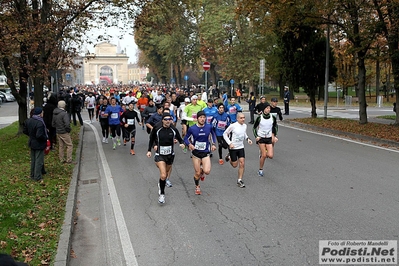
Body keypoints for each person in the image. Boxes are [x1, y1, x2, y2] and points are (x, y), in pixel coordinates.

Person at [147, 112, 185, 204]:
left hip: (170, 155)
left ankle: (161, 183)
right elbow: (151, 139)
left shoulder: (173, 129)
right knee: (163, 175)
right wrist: (149, 150)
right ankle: (162, 195)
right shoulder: (157, 128)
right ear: (162, 120)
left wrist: (182, 143)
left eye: (170, 119)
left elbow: (180, 138)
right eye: (166, 119)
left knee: (166, 174)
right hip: (159, 154)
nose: (168, 121)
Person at [184, 111, 217, 195]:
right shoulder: (192, 128)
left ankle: (203, 172)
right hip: (196, 153)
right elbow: (185, 138)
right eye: (200, 117)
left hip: (205, 152)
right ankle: (197, 186)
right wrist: (189, 144)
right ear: (197, 118)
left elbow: (213, 134)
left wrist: (213, 144)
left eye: (204, 117)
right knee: (197, 173)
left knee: (207, 171)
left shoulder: (209, 127)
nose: (202, 119)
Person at [223, 113, 253, 187]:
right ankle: (229, 157)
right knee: (234, 165)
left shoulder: (245, 126)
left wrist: (247, 139)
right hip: (233, 148)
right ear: (237, 119)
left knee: (242, 163)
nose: (243, 119)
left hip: (241, 147)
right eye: (241, 118)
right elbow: (225, 134)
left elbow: (244, 133)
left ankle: (239, 180)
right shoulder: (233, 126)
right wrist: (230, 143)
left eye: (244, 118)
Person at [252, 103, 278, 177]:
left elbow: (275, 126)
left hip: (269, 138)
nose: (268, 109)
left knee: (270, 156)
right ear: (263, 109)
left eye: (269, 108)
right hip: (261, 138)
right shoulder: (259, 117)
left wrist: (274, 136)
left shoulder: (272, 117)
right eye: (267, 108)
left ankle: (263, 152)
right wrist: (256, 136)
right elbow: (254, 127)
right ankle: (260, 169)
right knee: (264, 155)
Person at [23, 107, 47, 181]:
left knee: (33, 160)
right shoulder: (40, 123)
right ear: (40, 114)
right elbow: (39, 135)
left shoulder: (28, 121)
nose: (43, 114)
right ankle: (37, 177)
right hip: (39, 143)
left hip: (32, 142)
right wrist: (45, 138)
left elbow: (25, 131)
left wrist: (31, 135)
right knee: (39, 160)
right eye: (42, 112)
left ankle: (32, 174)